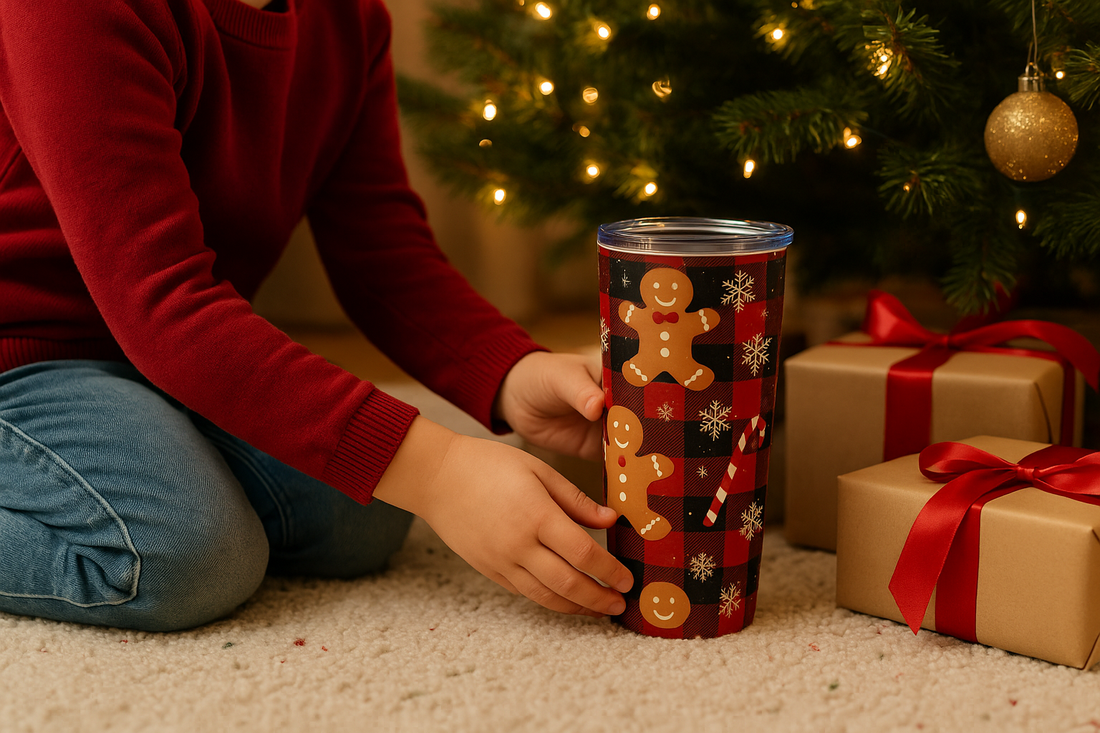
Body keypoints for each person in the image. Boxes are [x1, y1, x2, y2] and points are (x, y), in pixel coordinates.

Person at [0, 0, 632, 631]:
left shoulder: (350, 20)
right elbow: (161, 301)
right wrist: (438, 471)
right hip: (24, 352)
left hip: (154, 353)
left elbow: (380, 249)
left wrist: (512, 372)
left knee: (360, 518)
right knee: (184, 557)